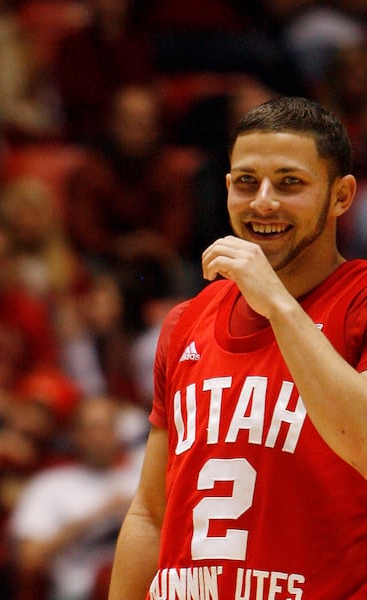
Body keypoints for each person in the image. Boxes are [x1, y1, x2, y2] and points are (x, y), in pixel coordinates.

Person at [109, 96, 367, 598]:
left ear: (341, 196)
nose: (263, 202)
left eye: (289, 183)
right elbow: (149, 513)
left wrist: (278, 303)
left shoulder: (357, 302)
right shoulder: (186, 321)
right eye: (247, 181)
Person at [9, 395, 145, 600]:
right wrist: (98, 516)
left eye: (108, 426)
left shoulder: (140, 482)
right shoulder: (50, 485)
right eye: (93, 428)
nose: (101, 437)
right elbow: (29, 559)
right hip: (73, 591)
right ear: (76, 434)